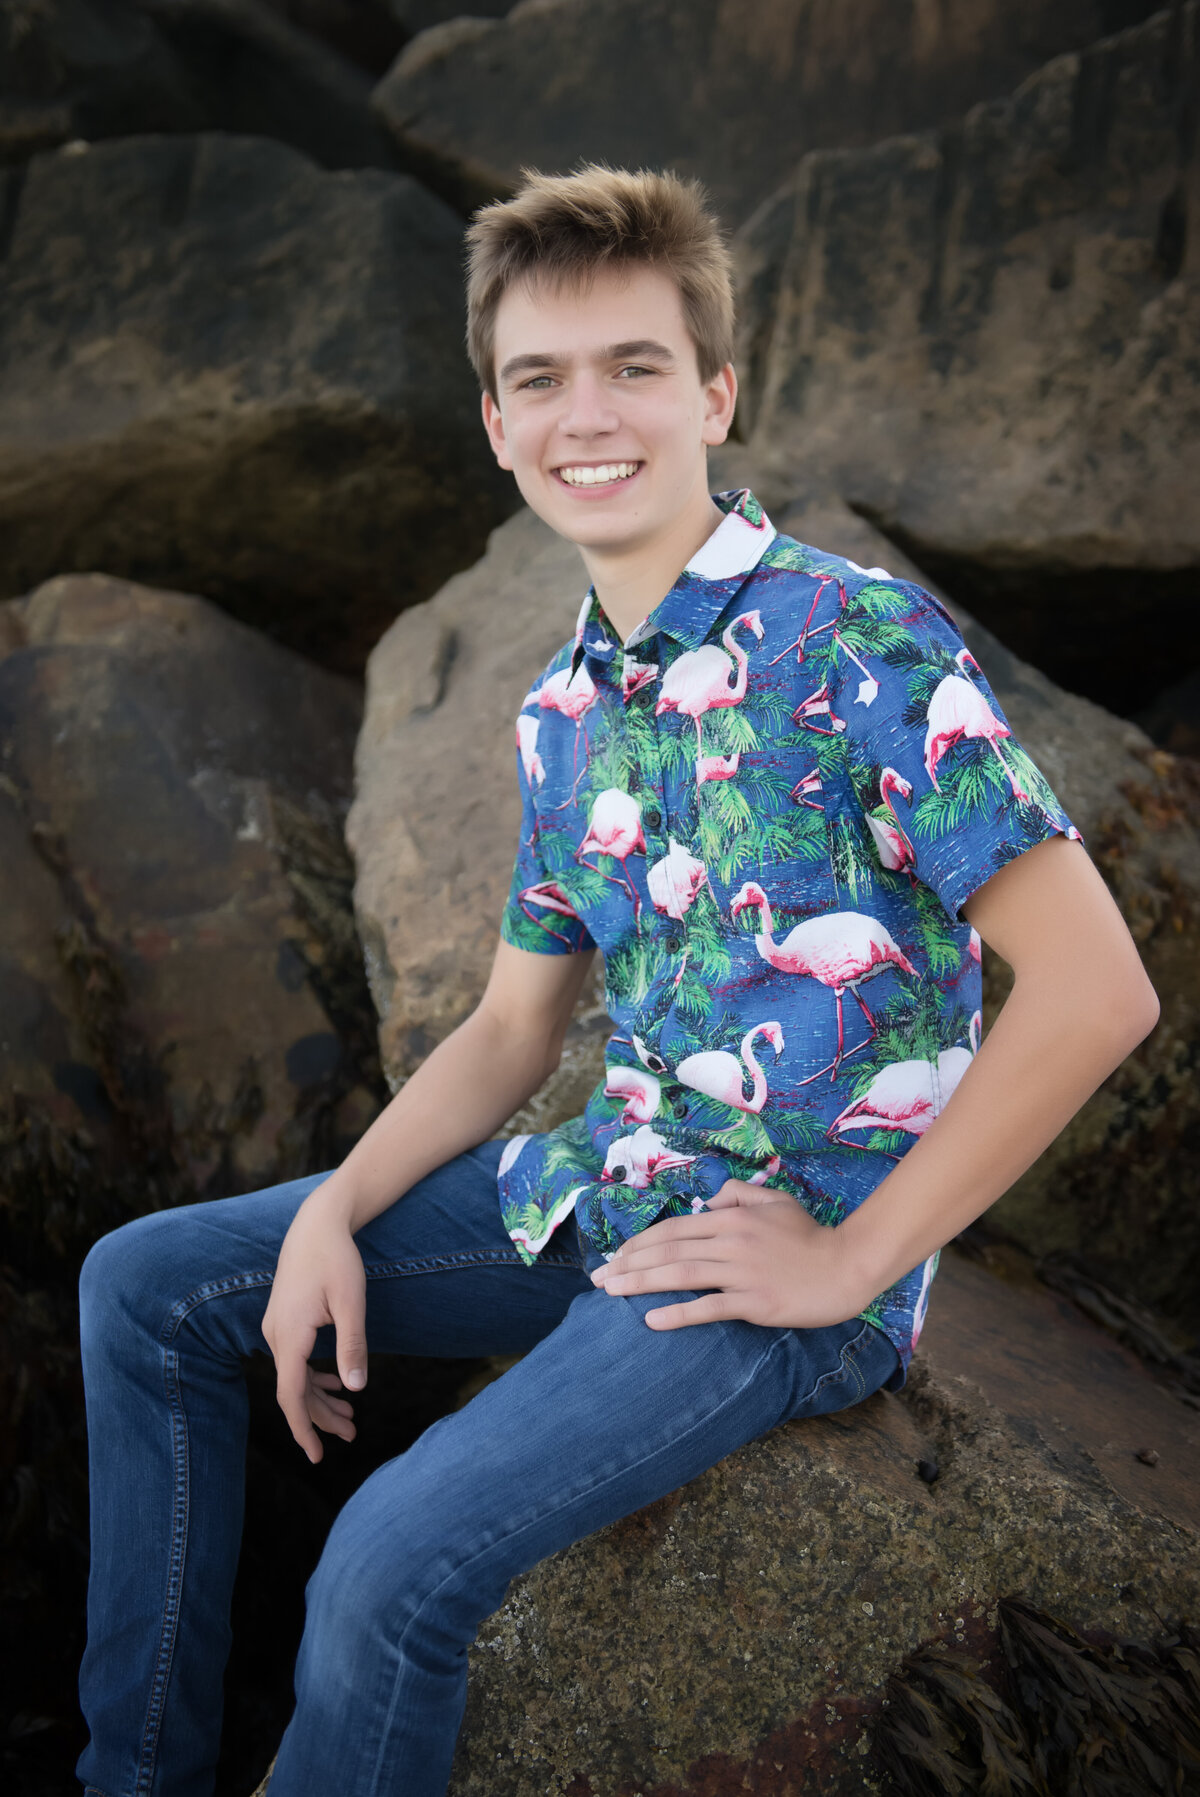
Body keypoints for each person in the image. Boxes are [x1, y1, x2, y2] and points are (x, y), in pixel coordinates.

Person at [77, 165, 1160, 1797]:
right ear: (499, 427)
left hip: (766, 1250)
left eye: (635, 366)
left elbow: (1097, 989)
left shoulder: (858, 641)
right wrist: (333, 1204)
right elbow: (517, 1025)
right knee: (145, 1287)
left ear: (714, 392)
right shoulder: (561, 708)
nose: (591, 413)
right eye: (540, 378)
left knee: (387, 1561)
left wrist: (853, 1260)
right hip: (608, 1178)